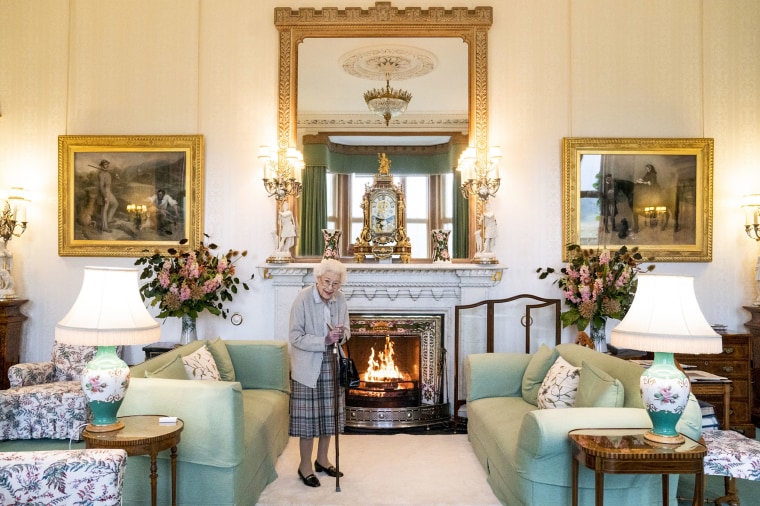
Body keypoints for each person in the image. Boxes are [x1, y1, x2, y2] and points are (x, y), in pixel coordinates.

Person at [288, 258, 350, 488]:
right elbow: (295, 337)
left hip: (332, 363)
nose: (330, 288)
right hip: (307, 366)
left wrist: (341, 334)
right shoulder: (303, 298)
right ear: (318, 279)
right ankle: (305, 466)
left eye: (335, 284)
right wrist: (324, 339)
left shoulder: (340, 299)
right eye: (327, 282)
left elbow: (348, 331)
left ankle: (322, 460)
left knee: (328, 416)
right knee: (309, 421)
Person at [97, 159, 118, 233]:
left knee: (115, 203)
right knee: (104, 209)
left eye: (107, 164)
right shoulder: (101, 174)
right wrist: (105, 196)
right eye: (105, 164)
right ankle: (104, 227)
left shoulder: (107, 173)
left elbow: (110, 181)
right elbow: (101, 186)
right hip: (105, 191)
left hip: (109, 191)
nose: (107, 165)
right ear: (102, 165)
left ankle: (109, 219)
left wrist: (116, 177)